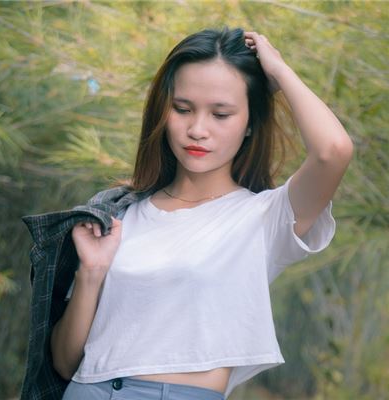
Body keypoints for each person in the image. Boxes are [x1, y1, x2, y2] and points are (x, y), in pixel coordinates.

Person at [20, 27, 353, 400]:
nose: (197, 129)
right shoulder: (117, 213)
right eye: (182, 109)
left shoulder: (264, 218)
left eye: (220, 114)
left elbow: (333, 151)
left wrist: (277, 70)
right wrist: (91, 272)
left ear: (250, 123)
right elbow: (65, 364)